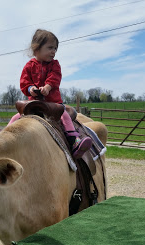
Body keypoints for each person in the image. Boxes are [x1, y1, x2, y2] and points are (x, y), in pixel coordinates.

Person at [9, 29, 92, 159]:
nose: (53, 51)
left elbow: (55, 77)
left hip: (52, 103)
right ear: (36, 49)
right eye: (50, 48)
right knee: (16, 118)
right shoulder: (29, 66)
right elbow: (24, 82)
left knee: (64, 115)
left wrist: (48, 87)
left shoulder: (55, 64)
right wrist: (31, 89)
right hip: (34, 104)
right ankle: (5, 138)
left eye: (55, 48)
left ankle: (74, 140)